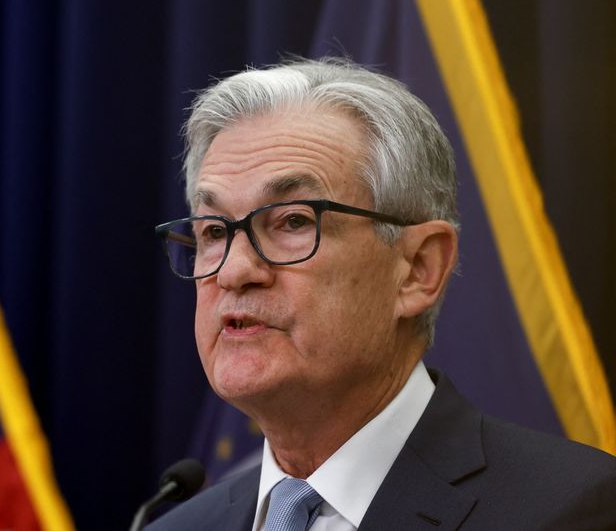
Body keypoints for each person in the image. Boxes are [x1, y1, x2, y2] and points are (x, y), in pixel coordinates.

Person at [148, 57, 616, 530]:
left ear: (418, 268)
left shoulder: (570, 509)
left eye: (293, 221)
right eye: (212, 231)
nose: (234, 270)